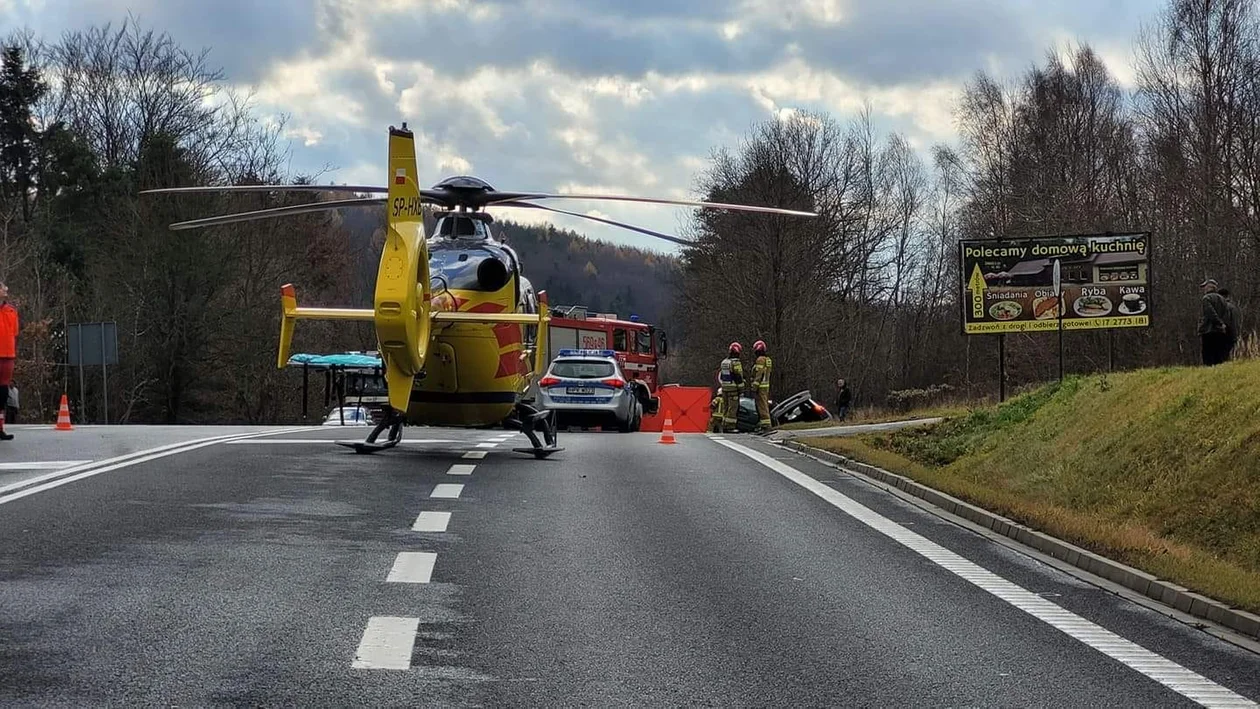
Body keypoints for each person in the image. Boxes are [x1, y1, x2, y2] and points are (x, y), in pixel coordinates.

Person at [1198, 279, 1231, 366]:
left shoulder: (1206, 298)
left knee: (1208, 354)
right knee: (1218, 354)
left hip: (1209, 330)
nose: (1204, 289)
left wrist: (1218, 323)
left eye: (1204, 287)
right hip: (1220, 331)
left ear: (1209, 287)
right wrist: (1223, 325)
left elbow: (1210, 313)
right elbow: (1226, 315)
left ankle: (1208, 372)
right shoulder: (1223, 299)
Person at [0, 282, 16, 440]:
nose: (6, 290)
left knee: (3, 394)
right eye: (2, 288)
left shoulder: (11, 311)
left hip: (8, 356)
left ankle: (0, 428)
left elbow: (14, 332)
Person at [717, 342, 744, 433]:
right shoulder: (736, 363)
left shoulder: (724, 362)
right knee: (733, 408)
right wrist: (741, 389)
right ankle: (730, 427)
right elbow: (738, 377)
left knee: (726, 408)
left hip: (724, 389)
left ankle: (724, 425)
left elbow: (721, 376)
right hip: (733, 389)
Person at [750, 340, 772, 431]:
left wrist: (754, 387)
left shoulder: (760, 360)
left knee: (762, 406)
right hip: (766, 386)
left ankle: (766, 426)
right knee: (764, 405)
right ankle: (764, 424)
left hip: (760, 387)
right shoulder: (768, 360)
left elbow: (759, 374)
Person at [1220, 288, 1243, 360]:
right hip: (1233, 334)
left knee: (1223, 356)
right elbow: (1237, 322)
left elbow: (1226, 322)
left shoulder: (1224, 307)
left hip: (1225, 334)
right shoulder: (1234, 307)